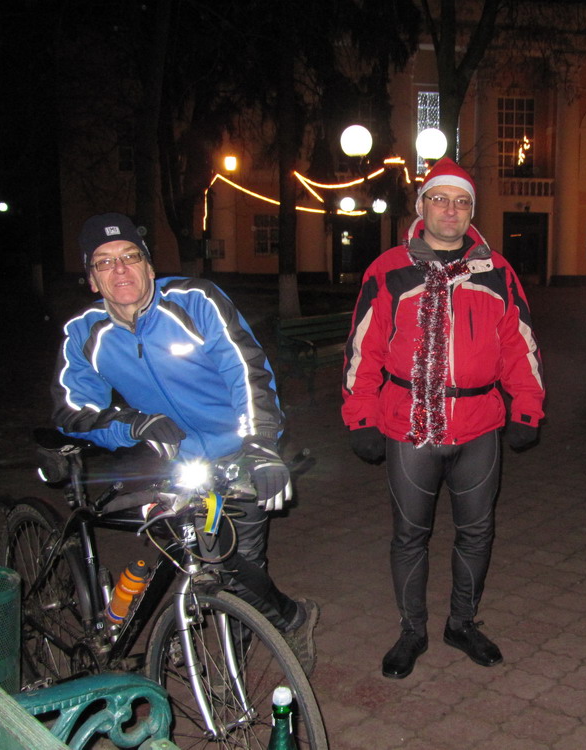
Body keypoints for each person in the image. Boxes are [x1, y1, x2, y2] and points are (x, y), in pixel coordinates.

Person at [51, 212, 319, 672]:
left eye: (130, 256)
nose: (120, 269)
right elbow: (71, 411)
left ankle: (264, 643)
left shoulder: (195, 301)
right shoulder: (85, 332)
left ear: (149, 265)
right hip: (173, 462)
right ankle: (210, 632)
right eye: (104, 262)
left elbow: (247, 372)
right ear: (92, 279)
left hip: (239, 450)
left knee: (239, 566)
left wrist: (260, 445)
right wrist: (132, 424)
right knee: (192, 557)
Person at [341, 158, 545, 680]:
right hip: (408, 425)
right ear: (422, 206)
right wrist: (360, 417)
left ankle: (462, 623)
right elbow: (364, 348)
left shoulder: (496, 270)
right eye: (440, 199)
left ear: (472, 212)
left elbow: (520, 345)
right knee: (409, 535)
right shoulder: (389, 268)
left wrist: (526, 407)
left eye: (461, 202)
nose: (450, 210)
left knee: (477, 532)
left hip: (479, 424)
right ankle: (412, 630)